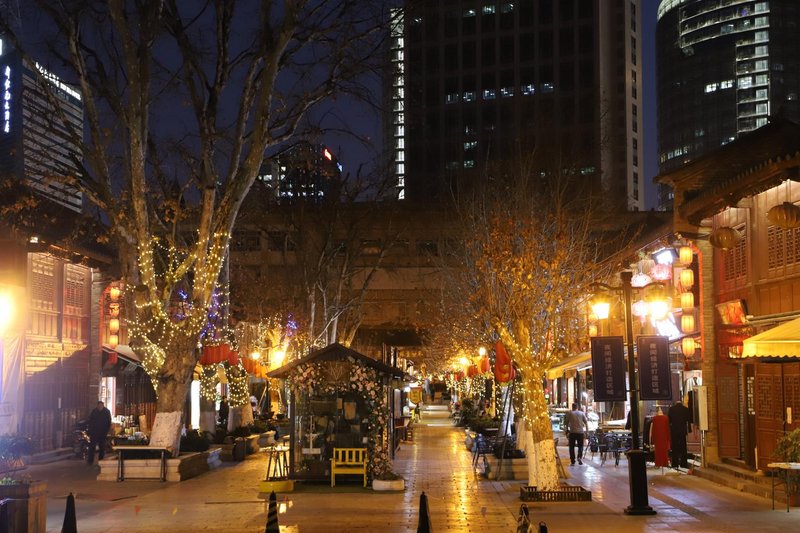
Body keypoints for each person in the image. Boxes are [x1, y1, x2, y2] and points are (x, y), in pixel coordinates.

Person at [87, 401, 111, 465]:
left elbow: (109, 422)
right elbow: (90, 421)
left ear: (103, 406)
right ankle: (90, 461)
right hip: (94, 432)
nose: (100, 407)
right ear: (97, 406)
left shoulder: (106, 412)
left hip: (102, 433)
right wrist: (90, 430)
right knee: (92, 447)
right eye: (98, 406)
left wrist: (106, 431)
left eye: (101, 406)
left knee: (102, 447)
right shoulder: (94, 411)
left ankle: (101, 460)